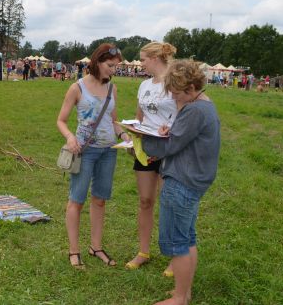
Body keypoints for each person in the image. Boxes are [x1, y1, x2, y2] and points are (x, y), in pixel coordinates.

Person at [140, 60, 220, 305]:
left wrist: (138, 139)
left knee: (178, 243)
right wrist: (170, 132)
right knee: (187, 238)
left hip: (182, 181)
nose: (172, 96)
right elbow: (181, 137)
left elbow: (172, 145)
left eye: (175, 92)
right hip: (193, 179)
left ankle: (179, 298)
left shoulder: (195, 110)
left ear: (190, 88)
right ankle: (184, 292)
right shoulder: (204, 105)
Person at [57, 43, 129, 269]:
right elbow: (61, 120)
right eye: (110, 65)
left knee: (99, 200)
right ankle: (74, 251)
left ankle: (96, 247)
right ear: (97, 62)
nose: (113, 70)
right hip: (84, 152)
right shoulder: (77, 88)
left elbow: (113, 120)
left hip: (109, 152)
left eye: (116, 66)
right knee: (76, 201)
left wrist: (125, 134)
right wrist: (70, 137)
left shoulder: (112, 89)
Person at [125, 42, 178, 274]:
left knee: (170, 203)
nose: (140, 63)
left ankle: (176, 257)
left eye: (143, 59)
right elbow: (140, 116)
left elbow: (186, 114)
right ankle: (143, 252)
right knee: (145, 201)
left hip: (170, 150)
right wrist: (132, 138)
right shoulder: (144, 85)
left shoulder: (175, 82)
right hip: (146, 149)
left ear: (156, 58)